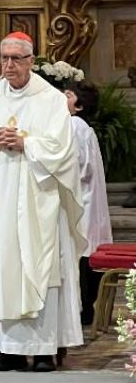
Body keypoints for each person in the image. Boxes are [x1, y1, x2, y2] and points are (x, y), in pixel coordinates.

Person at [0, 32, 85, 372]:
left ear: (31, 61)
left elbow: (62, 149)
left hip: (37, 199)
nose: (9, 65)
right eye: (4, 58)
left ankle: (43, 350)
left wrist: (25, 142)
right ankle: (7, 350)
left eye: (16, 58)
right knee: (1, 267)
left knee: (39, 267)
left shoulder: (49, 99)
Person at [66, 80, 112, 324]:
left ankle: (82, 309)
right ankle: (88, 308)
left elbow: (76, 166)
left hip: (81, 201)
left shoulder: (73, 125)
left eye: (68, 95)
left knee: (81, 255)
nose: (63, 98)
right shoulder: (85, 127)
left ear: (80, 105)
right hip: (89, 203)